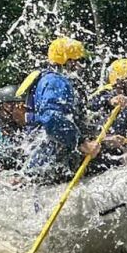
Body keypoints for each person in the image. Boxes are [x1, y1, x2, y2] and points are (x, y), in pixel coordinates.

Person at [20, 37, 100, 182]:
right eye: (78, 61)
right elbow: (51, 117)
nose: (81, 67)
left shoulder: (48, 79)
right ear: (68, 62)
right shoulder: (57, 81)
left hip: (44, 159)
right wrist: (81, 143)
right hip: (48, 161)